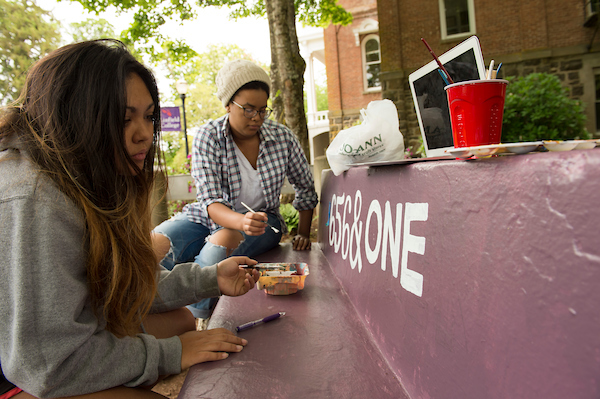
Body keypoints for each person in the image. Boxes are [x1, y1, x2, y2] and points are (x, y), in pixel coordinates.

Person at [0, 39, 260, 399]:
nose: (144, 133)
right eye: (124, 118)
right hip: (24, 379)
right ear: (74, 115)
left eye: (149, 116)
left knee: (182, 319)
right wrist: (174, 352)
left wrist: (211, 278)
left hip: (56, 354)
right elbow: (49, 365)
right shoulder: (34, 198)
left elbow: (132, 286)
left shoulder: (98, 178)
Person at [152, 59, 319, 319]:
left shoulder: (282, 138)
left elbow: (306, 188)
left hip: (263, 222)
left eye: (263, 110)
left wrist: (305, 234)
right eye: (248, 109)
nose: (257, 118)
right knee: (150, 248)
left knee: (218, 250)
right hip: (206, 216)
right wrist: (241, 220)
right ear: (228, 104)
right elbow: (210, 203)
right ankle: (148, 316)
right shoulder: (209, 136)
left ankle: (196, 320)